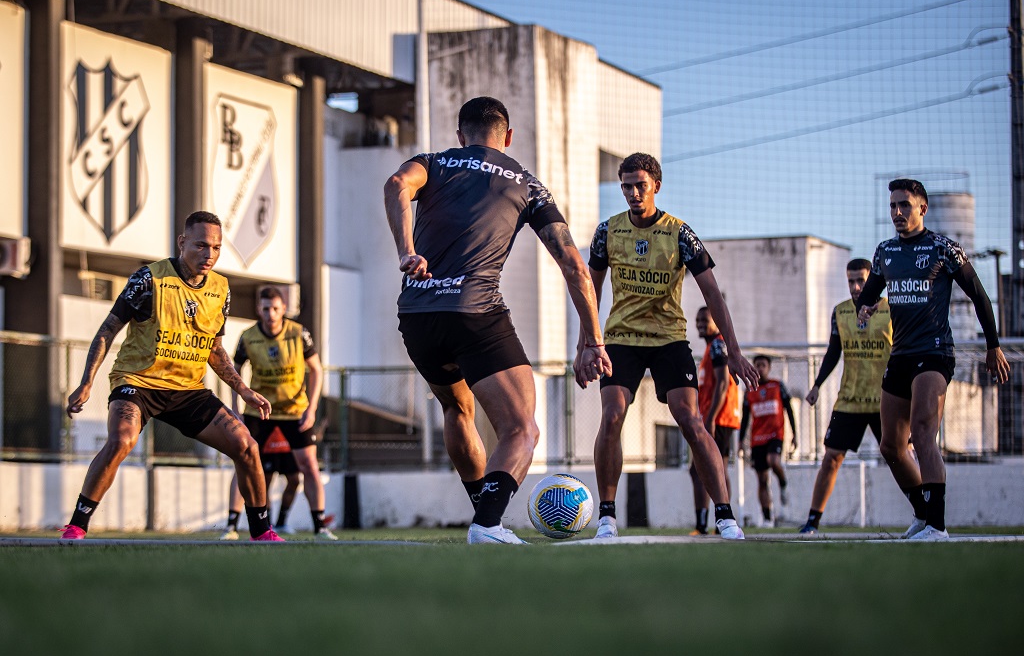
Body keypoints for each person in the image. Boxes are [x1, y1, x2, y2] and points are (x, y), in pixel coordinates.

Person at [383, 96, 611, 544]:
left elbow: (395, 185)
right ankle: (487, 524)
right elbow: (575, 266)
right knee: (521, 428)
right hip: (476, 313)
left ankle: (482, 515)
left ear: (459, 135)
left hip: (417, 315)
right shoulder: (525, 183)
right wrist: (593, 341)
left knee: (456, 408)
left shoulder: (433, 162)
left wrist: (407, 252)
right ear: (508, 137)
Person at [63, 212, 281, 541]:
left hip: (188, 390)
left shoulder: (221, 288)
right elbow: (108, 330)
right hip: (138, 382)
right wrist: (87, 381)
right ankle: (77, 525)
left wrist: (242, 388)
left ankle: (262, 534)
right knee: (122, 440)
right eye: (201, 246)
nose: (209, 255)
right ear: (182, 243)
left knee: (247, 446)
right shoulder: (149, 280)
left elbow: (214, 348)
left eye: (217, 248)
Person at [585, 152, 758, 541]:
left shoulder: (679, 233)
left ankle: (726, 517)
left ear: (656, 187)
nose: (632, 192)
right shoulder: (607, 231)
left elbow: (712, 293)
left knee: (691, 421)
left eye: (640, 185)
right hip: (621, 339)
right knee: (612, 416)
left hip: (668, 340)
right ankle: (607, 518)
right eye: (626, 185)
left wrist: (734, 351)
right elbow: (589, 290)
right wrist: (588, 342)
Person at [857, 178, 1009, 540]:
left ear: (922, 208)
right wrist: (866, 306)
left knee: (923, 432)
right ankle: (923, 514)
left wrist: (994, 345)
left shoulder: (944, 249)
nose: (897, 212)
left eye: (904, 205)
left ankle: (938, 526)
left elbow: (979, 295)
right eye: (892, 206)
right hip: (901, 355)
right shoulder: (884, 252)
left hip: (935, 352)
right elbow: (868, 293)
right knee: (891, 446)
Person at [220, 286, 334, 540]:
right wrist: (237, 409)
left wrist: (311, 408)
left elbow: (316, 369)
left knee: (308, 466)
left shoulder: (298, 333)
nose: (270, 314)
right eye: (265, 309)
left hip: (295, 412)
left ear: (283, 309)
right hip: (259, 411)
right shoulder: (248, 336)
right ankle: (230, 527)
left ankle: (320, 528)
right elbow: (233, 371)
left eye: (275, 309)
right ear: (258, 310)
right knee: (244, 464)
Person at [799, 259, 892, 534]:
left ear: (872, 279)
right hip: (850, 399)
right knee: (832, 458)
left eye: (861, 281)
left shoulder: (890, 309)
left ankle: (925, 516)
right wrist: (816, 385)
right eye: (851, 281)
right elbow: (833, 352)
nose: (855, 287)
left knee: (901, 456)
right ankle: (812, 522)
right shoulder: (840, 312)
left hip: (885, 400)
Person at [689, 306, 741, 535]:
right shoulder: (712, 347)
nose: (700, 324)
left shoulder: (718, 345)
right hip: (720, 417)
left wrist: (710, 419)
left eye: (704, 320)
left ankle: (706, 524)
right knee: (714, 468)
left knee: (702, 468)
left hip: (719, 418)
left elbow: (723, 382)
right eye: (698, 320)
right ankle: (720, 522)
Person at [220, 412, 303, 539]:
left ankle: (281, 523)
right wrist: (236, 406)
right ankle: (257, 525)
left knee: (294, 480)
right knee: (262, 478)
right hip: (263, 416)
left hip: (289, 417)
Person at [740, 355, 798, 527]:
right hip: (757, 439)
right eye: (757, 365)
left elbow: (789, 409)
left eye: (763, 365)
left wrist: (795, 434)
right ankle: (767, 517)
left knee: (773, 461)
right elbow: (745, 417)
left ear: (769, 367)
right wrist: (740, 440)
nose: (760, 368)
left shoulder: (778, 386)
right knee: (762, 480)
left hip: (775, 435)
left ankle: (782, 482)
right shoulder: (749, 390)